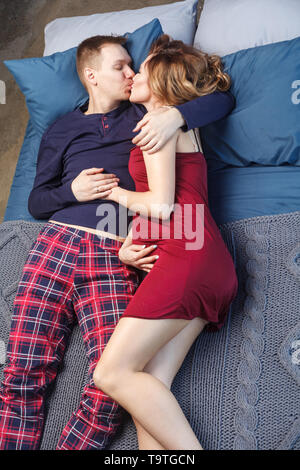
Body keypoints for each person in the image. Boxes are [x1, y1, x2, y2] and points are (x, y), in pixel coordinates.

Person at [0, 35, 235, 450]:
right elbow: (37, 200)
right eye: (120, 67)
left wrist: (176, 118)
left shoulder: (148, 118)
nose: (130, 74)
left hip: (116, 250)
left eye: (135, 67)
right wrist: (72, 190)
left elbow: (219, 101)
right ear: (91, 76)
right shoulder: (62, 127)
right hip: (61, 240)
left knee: (111, 384)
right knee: (23, 372)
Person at [93, 35, 239, 450]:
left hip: (187, 260)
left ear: (160, 79)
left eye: (142, 68)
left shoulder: (158, 122)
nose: (134, 74)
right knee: (149, 386)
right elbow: (178, 204)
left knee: (111, 374)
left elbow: (159, 205)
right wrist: (130, 244)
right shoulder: (172, 122)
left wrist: (114, 194)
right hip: (204, 260)